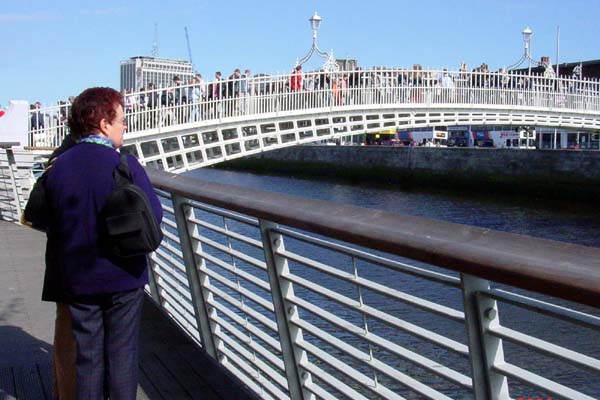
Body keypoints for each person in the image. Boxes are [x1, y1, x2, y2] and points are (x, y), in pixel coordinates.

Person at [42, 87, 163, 400]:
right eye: (121, 119)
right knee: (122, 357)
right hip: (124, 277)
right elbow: (155, 215)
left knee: (88, 359)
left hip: (78, 280)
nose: (125, 126)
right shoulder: (126, 165)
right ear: (104, 123)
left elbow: (45, 217)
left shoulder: (58, 167)